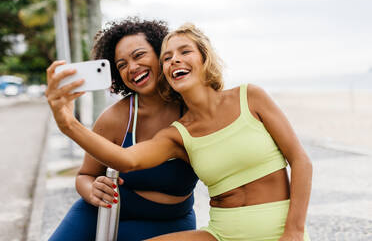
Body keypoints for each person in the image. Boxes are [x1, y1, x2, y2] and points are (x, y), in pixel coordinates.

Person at [46, 23, 313, 241]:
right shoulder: (176, 133)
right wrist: (68, 124)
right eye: (168, 58)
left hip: (185, 220)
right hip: (213, 230)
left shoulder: (249, 97)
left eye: (184, 52)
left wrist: (294, 231)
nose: (175, 60)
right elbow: (125, 160)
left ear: (204, 57)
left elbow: (300, 160)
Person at [48, 18, 198, 241]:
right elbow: (85, 175)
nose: (132, 68)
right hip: (104, 212)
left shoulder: (193, 111)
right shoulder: (114, 118)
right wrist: (92, 190)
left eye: (138, 55)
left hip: (171, 222)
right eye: (122, 65)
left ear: (161, 54)